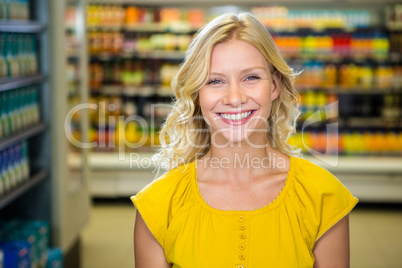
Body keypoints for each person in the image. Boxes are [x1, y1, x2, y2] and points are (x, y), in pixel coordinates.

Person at [131, 13, 358, 268]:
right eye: (215, 81)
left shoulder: (323, 196)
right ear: (196, 95)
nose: (234, 98)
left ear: (274, 86)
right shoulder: (158, 205)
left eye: (250, 77)